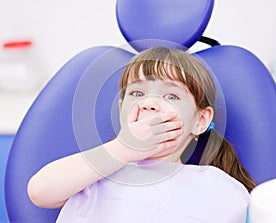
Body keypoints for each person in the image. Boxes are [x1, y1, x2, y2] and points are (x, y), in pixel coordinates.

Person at [27, 47, 256, 222]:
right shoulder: (93, 174)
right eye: (137, 93)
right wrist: (123, 148)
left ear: (200, 120)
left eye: (171, 96)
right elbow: (40, 192)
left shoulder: (217, 186)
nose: (150, 104)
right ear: (121, 109)